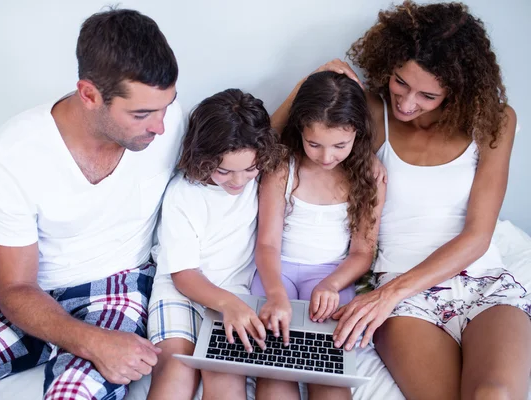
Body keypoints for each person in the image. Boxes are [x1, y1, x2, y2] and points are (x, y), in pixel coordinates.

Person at [275, 2, 531, 399]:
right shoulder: (374, 113)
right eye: (400, 82)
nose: (407, 103)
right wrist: (308, 83)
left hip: (480, 281)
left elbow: (479, 236)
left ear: (458, 89)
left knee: (493, 394)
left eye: (428, 94)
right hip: (401, 292)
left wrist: (384, 297)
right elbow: (265, 150)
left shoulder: (494, 120)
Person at [0, 8, 183, 400]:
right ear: (89, 94)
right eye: (141, 113)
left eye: (167, 106)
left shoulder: (167, 126)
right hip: (32, 297)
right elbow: (14, 287)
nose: (160, 126)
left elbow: (249, 146)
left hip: (118, 288)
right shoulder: (11, 155)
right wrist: (88, 341)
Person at [251, 71, 385, 400]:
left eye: (340, 145)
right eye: (315, 144)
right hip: (276, 270)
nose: (326, 157)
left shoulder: (369, 174)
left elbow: (362, 252)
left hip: (331, 275)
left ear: (357, 133)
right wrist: (275, 292)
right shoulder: (284, 166)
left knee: (328, 372)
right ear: (300, 131)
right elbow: (267, 243)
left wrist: (333, 284)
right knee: (274, 369)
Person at [145, 89, 285, 400]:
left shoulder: (257, 176)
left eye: (250, 169)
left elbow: (279, 123)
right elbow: (183, 274)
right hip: (181, 290)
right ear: (204, 158)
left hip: (233, 294)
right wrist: (228, 304)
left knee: (225, 378)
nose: (238, 181)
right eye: (224, 171)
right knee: (176, 367)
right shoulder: (184, 195)